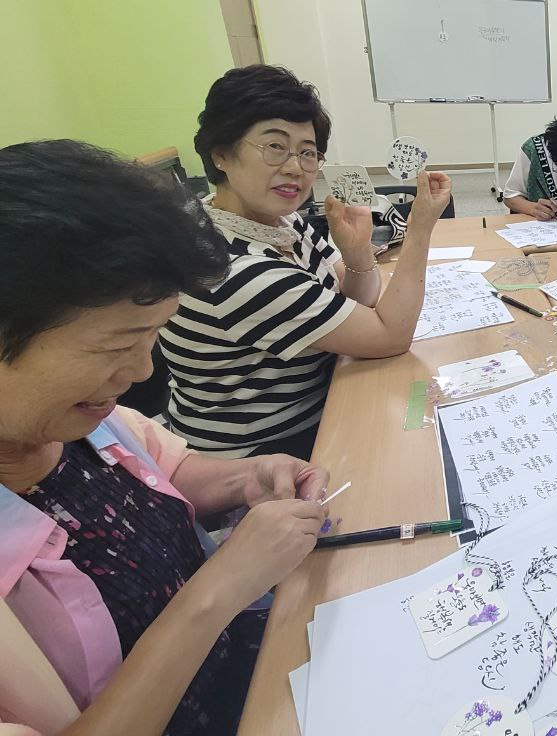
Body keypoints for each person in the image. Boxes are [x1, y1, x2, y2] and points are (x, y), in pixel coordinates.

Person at [0, 139, 328, 735]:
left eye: (151, 337)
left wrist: (247, 477)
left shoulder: (70, 418)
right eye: (116, 345)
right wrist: (220, 588)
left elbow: (164, 467)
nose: (143, 373)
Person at [160, 65, 454, 460]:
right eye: (275, 147)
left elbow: (359, 305)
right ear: (222, 154)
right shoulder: (237, 272)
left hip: (321, 399)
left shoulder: (275, 221)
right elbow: (390, 337)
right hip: (264, 453)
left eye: (307, 152)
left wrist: (357, 256)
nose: (296, 167)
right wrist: (419, 231)